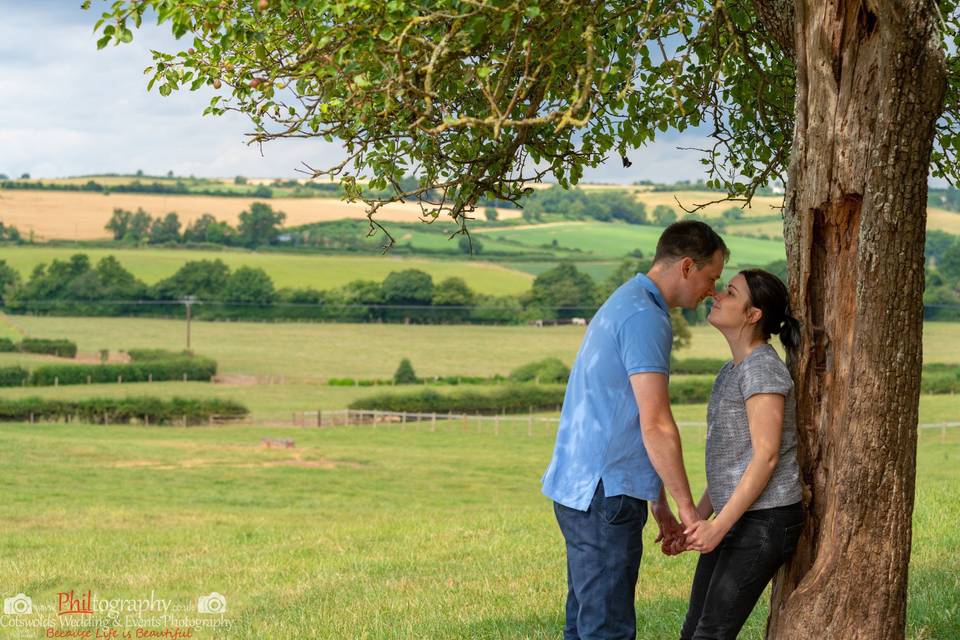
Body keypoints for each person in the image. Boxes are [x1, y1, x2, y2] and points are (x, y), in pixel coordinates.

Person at [541, 220, 728, 640]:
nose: (713, 290)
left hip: (585, 488)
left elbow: (621, 416)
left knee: (586, 624)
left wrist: (656, 499)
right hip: (604, 494)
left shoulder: (627, 301)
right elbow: (655, 421)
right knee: (606, 629)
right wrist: (687, 508)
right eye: (711, 277)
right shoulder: (646, 318)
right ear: (686, 266)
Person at [679, 269, 804, 640]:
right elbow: (734, 462)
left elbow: (766, 456)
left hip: (766, 521)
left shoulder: (762, 368)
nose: (716, 295)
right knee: (695, 629)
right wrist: (697, 519)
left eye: (730, 293)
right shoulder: (730, 370)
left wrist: (718, 526)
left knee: (711, 632)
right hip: (738, 516)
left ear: (753, 315)